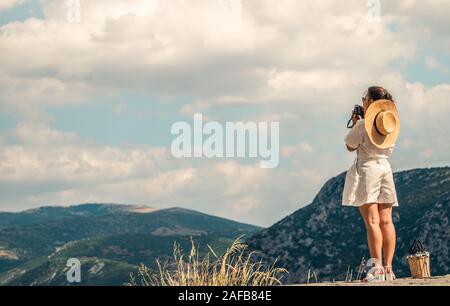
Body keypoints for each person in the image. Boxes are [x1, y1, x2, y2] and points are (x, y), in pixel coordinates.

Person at [342, 86, 401, 282]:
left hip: (368, 169)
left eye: (364, 98)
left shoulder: (363, 125)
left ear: (370, 102)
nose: (363, 101)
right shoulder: (389, 124)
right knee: (387, 221)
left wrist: (357, 122)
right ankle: (388, 269)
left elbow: (350, 146)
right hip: (385, 168)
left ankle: (376, 268)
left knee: (373, 222)